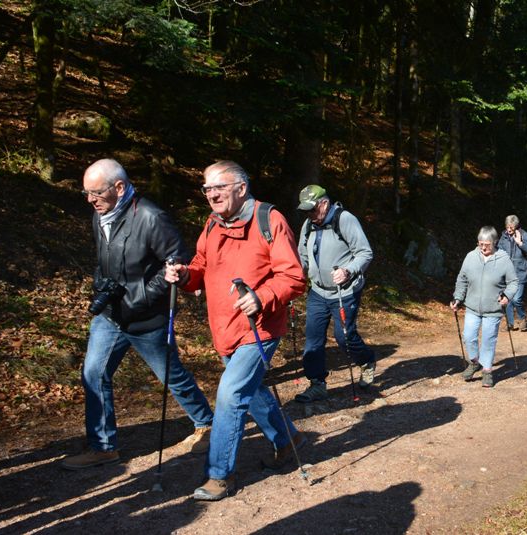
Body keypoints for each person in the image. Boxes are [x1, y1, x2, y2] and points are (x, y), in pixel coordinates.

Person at [165, 161, 306, 501]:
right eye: (207, 189)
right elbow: (201, 264)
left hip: (259, 329)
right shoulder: (213, 224)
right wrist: (185, 275)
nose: (211, 194)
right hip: (224, 327)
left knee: (229, 395)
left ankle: (219, 475)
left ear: (241, 189)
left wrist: (262, 297)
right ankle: (287, 440)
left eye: (219, 187)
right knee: (250, 389)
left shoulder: (269, 220)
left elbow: (294, 277)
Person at [62, 159, 214, 471]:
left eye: (97, 193)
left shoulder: (150, 217)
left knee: (171, 374)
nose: (91, 200)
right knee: (93, 374)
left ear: (119, 187)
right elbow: (102, 257)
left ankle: (207, 424)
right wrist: (99, 282)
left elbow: (176, 263)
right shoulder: (100, 214)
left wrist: (141, 296)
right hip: (110, 313)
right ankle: (103, 447)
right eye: (86, 193)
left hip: (146, 318)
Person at [294, 184, 375, 403]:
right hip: (318, 291)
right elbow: (302, 254)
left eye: (312, 210)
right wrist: (295, 276)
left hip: (345, 291)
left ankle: (367, 361)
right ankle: (317, 384)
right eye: (305, 211)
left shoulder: (345, 219)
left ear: (324, 203)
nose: (309, 215)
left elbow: (365, 253)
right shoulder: (309, 224)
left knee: (344, 337)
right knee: (313, 339)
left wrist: (348, 271)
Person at [450, 226, 519, 388]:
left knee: (488, 339)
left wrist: (507, 296)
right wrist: (457, 298)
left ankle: (487, 370)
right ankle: (475, 362)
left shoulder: (503, 259)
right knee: (468, 336)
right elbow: (462, 280)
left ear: (495, 242)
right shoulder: (471, 257)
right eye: (480, 244)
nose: (483, 248)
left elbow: (513, 282)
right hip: (472, 307)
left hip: (493, 309)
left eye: (487, 244)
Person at [497, 215, 527, 331]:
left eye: (511, 227)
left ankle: (522, 317)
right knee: (507, 299)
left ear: (516, 226)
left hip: (520, 272)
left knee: (516, 299)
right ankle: (510, 323)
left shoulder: (524, 235)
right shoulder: (503, 237)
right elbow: (498, 250)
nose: (509, 229)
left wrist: (520, 243)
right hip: (506, 273)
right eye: (507, 226)